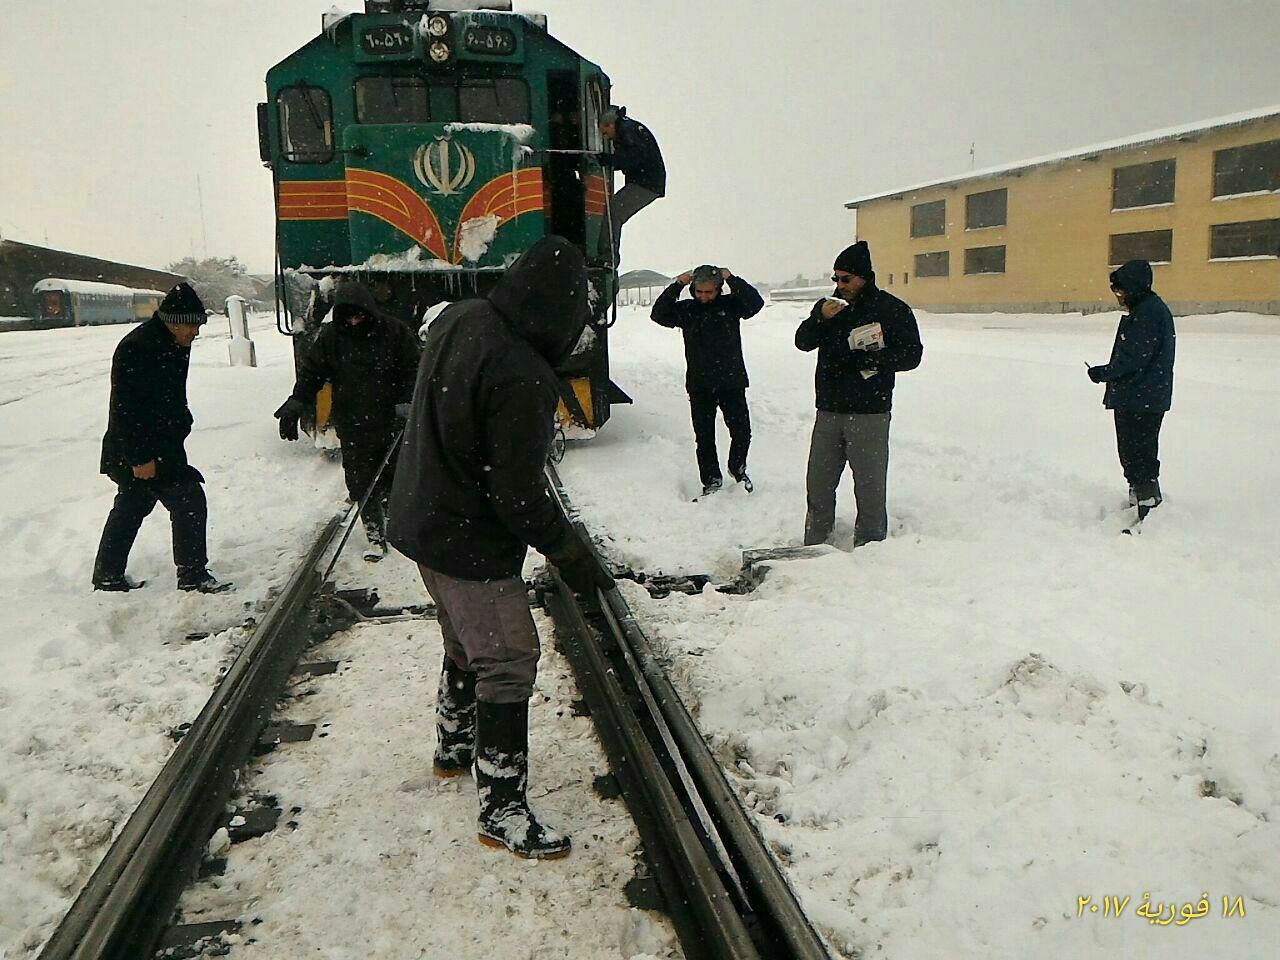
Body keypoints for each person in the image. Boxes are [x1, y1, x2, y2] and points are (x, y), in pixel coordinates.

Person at [387, 236, 616, 860]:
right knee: (509, 657)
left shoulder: (465, 316)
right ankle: (501, 808)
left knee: (465, 639)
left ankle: (453, 747)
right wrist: (569, 553)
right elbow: (519, 497)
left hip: (419, 516)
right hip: (466, 537)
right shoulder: (523, 375)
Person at [92, 282, 231, 593]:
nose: (196, 332)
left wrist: (182, 419)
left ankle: (108, 575)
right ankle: (192, 575)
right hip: (138, 449)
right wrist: (139, 458)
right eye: (193, 326)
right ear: (175, 321)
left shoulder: (173, 342)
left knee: (133, 504)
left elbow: (167, 396)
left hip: (160, 445)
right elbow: (124, 409)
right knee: (188, 499)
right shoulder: (138, 347)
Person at [274, 281, 419, 561]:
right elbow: (312, 373)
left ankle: (393, 519)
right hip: (353, 421)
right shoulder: (331, 337)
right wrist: (297, 402)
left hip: (391, 420)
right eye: (348, 317)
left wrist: (406, 402)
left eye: (359, 316)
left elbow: (414, 368)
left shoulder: (394, 332)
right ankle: (374, 534)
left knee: (393, 474)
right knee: (360, 479)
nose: (354, 321)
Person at [795, 241, 923, 547]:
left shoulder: (891, 309)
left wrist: (873, 359)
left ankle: (870, 547)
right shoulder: (828, 307)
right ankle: (815, 541)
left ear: (864, 277)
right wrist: (819, 319)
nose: (840, 285)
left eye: (846, 279)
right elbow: (802, 342)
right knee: (819, 483)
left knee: (869, 486)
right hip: (828, 409)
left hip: (870, 411)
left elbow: (912, 355)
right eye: (835, 278)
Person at [650, 264, 765, 496]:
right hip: (700, 385)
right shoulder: (687, 310)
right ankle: (711, 480)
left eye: (709, 292)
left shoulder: (732, 305)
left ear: (719, 289)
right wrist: (677, 284)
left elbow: (755, 303)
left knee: (742, 431)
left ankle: (738, 468)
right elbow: (658, 314)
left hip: (731, 381)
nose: (704, 297)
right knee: (704, 437)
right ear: (693, 290)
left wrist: (732, 278)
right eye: (699, 292)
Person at [1087, 259, 1175, 521]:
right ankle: (1141, 499)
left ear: (1134, 287)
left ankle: (1147, 507)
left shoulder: (1148, 313)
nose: (1118, 296)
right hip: (1141, 396)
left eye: (1120, 290)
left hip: (1141, 398)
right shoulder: (1146, 309)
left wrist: (1103, 373)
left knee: (1138, 454)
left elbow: (1134, 358)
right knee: (1137, 452)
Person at [598, 105, 666, 261]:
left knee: (613, 212)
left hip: (646, 183)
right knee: (614, 211)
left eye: (605, 133)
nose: (606, 137)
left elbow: (634, 157)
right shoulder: (630, 128)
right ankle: (608, 255)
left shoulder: (627, 131)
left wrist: (610, 160)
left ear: (611, 124)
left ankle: (608, 257)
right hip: (647, 182)